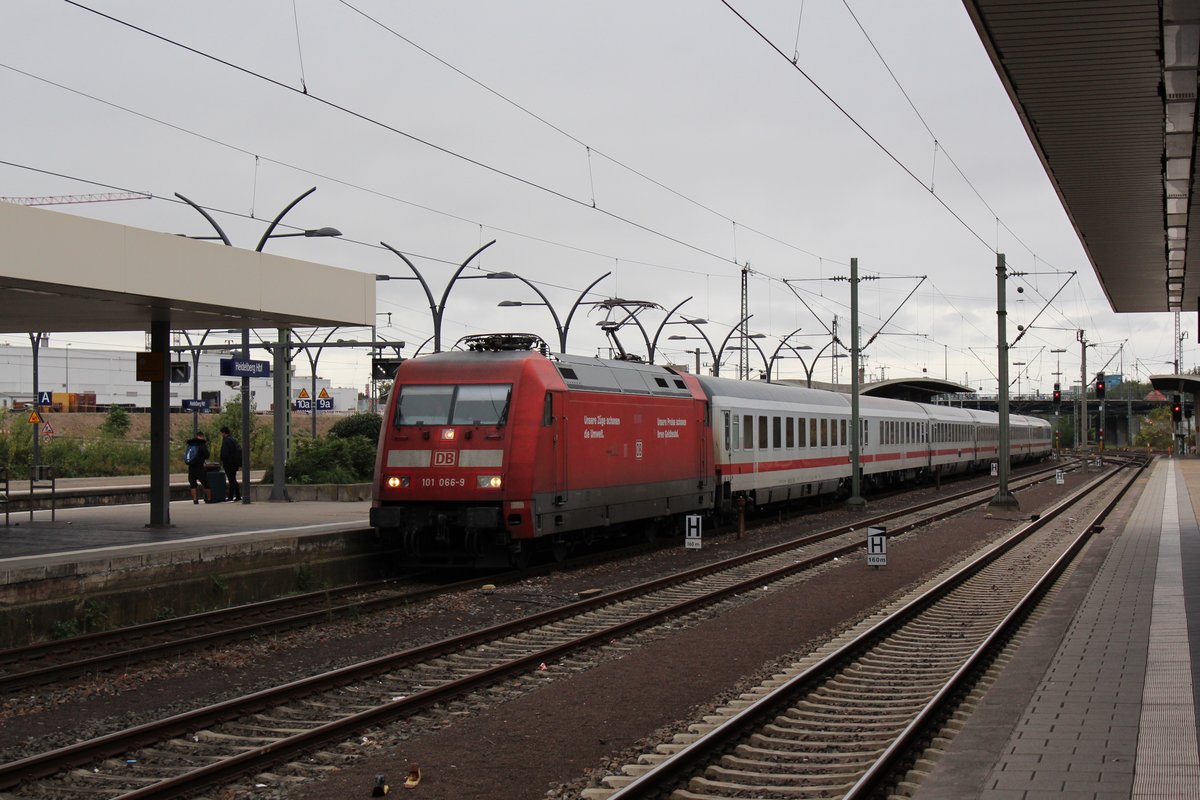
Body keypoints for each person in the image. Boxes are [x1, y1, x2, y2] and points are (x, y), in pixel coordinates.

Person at [184, 431, 211, 504]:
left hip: (191, 467)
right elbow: (207, 455)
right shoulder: (202, 444)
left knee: (192, 484)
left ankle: (195, 500)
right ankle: (209, 499)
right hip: (199, 467)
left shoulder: (190, 444)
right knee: (206, 483)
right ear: (202, 436)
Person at [219, 426, 242, 502]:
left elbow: (225, 454)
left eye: (222, 433)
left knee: (231, 480)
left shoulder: (226, 441)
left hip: (229, 464)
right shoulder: (233, 440)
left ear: (224, 433)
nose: (221, 435)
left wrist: (222, 461)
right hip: (235, 463)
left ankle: (231, 496)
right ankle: (237, 496)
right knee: (233, 479)